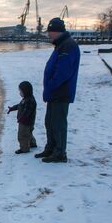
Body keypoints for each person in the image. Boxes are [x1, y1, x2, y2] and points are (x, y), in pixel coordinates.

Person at [35, 17, 80, 163]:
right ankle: (51, 148)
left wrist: (51, 85)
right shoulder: (61, 45)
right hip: (55, 92)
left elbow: (62, 73)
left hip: (61, 92)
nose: (48, 34)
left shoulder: (68, 46)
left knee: (58, 123)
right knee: (50, 121)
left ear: (56, 31)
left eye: (50, 31)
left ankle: (60, 153)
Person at [7, 81, 37, 154]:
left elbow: (27, 111)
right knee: (28, 133)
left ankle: (24, 149)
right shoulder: (26, 99)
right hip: (25, 122)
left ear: (25, 91)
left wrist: (22, 118)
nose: (19, 93)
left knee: (22, 135)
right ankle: (32, 144)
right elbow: (19, 106)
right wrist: (12, 108)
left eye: (20, 91)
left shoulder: (29, 101)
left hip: (26, 122)